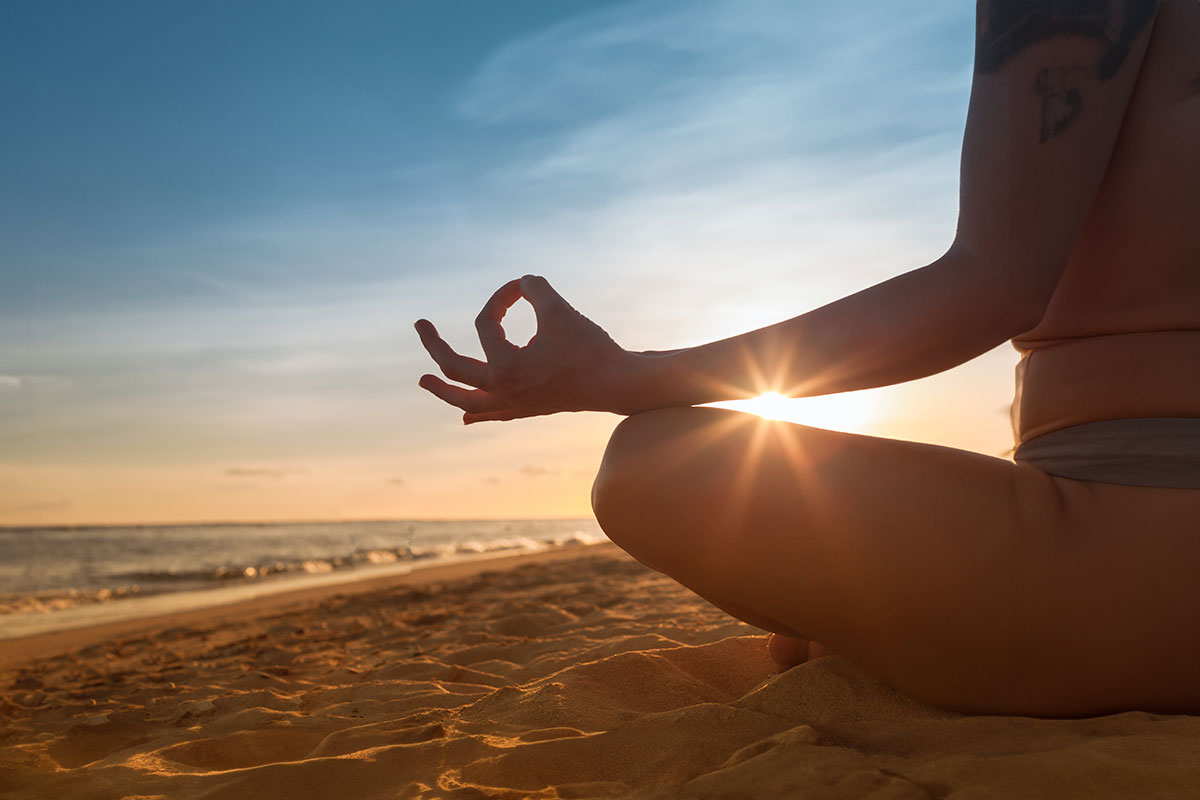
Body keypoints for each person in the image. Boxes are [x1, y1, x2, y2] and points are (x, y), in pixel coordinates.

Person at [416, 0, 1199, 717]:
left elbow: (994, 287)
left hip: (1133, 563)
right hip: (1132, 538)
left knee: (650, 460)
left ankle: (903, 642)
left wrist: (619, 377)